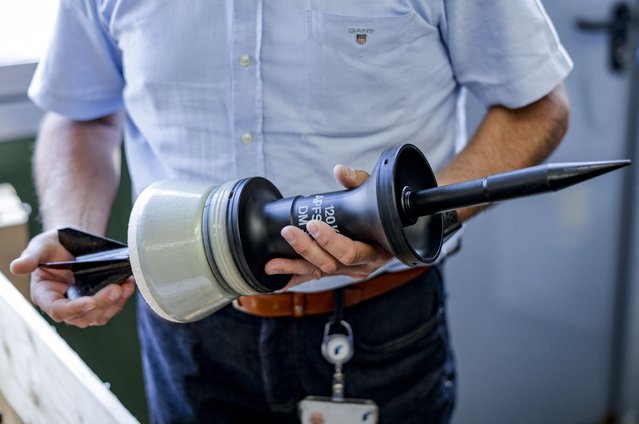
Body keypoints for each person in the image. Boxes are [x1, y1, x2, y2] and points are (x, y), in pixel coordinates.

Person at [11, 1, 572, 423]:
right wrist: (75, 236)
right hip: (186, 334)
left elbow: (537, 108)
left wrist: (407, 223)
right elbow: (82, 114)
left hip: (380, 330)